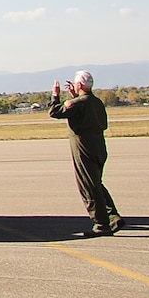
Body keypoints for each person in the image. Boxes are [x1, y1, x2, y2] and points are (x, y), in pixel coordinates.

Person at [51, 71, 122, 235]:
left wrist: (56, 95)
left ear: (80, 85)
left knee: (88, 187)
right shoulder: (97, 102)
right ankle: (112, 216)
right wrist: (74, 97)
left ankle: (101, 224)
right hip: (99, 147)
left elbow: (55, 112)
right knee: (96, 183)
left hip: (84, 148)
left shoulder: (78, 103)